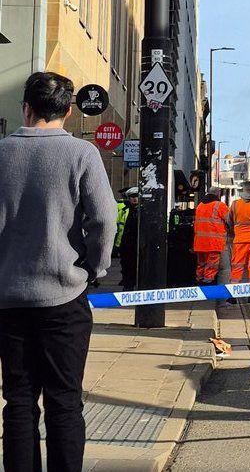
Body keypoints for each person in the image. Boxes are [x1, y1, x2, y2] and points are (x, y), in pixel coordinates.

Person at [0, 72, 116, 472]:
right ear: (68, 111)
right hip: (64, 298)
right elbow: (104, 220)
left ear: (26, 109)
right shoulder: (82, 154)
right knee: (64, 400)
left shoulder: (1, 152)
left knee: (17, 400)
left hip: (8, 298)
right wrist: (94, 267)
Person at [193, 188, 229, 284]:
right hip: (214, 243)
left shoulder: (200, 206)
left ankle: (199, 284)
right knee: (211, 267)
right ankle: (208, 290)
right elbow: (230, 220)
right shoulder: (220, 205)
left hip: (200, 243)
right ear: (218, 193)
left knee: (201, 265)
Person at [118, 188, 140, 291]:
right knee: (126, 265)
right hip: (126, 243)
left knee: (137, 265)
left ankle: (135, 283)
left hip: (138, 243)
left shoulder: (143, 210)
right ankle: (128, 285)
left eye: (137, 196)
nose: (135, 199)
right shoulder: (124, 209)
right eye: (132, 197)